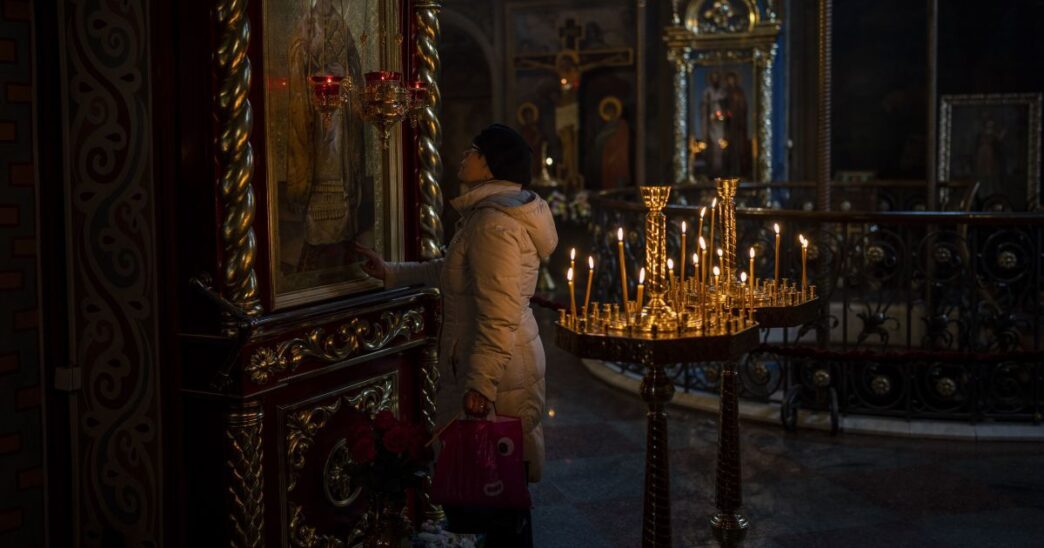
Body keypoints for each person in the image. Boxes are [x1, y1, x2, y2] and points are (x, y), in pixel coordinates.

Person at [354, 124, 558, 547]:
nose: (462, 156)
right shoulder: (488, 218)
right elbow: (452, 272)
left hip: (496, 372)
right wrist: (391, 272)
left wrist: (480, 384)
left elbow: (498, 313)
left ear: (490, 165)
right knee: (501, 500)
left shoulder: (493, 226)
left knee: (491, 498)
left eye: (472, 150)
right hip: (503, 363)